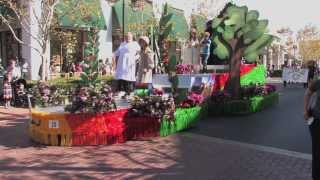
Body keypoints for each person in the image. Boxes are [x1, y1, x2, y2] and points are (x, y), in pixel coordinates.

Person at [113, 32, 141, 99]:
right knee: (121, 77)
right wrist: (113, 55)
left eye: (128, 36)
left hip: (129, 63)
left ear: (131, 37)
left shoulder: (135, 44)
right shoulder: (123, 44)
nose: (127, 38)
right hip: (121, 64)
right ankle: (120, 91)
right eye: (126, 36)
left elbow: (140, 52)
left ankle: (129, 92)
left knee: (128, 77)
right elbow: (117, 52)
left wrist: (135, 58)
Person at [304, 79, 320, 180]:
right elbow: (307, 93)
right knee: (317, 151)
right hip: (317, 121)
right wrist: (305, 110)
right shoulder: (318, 82)